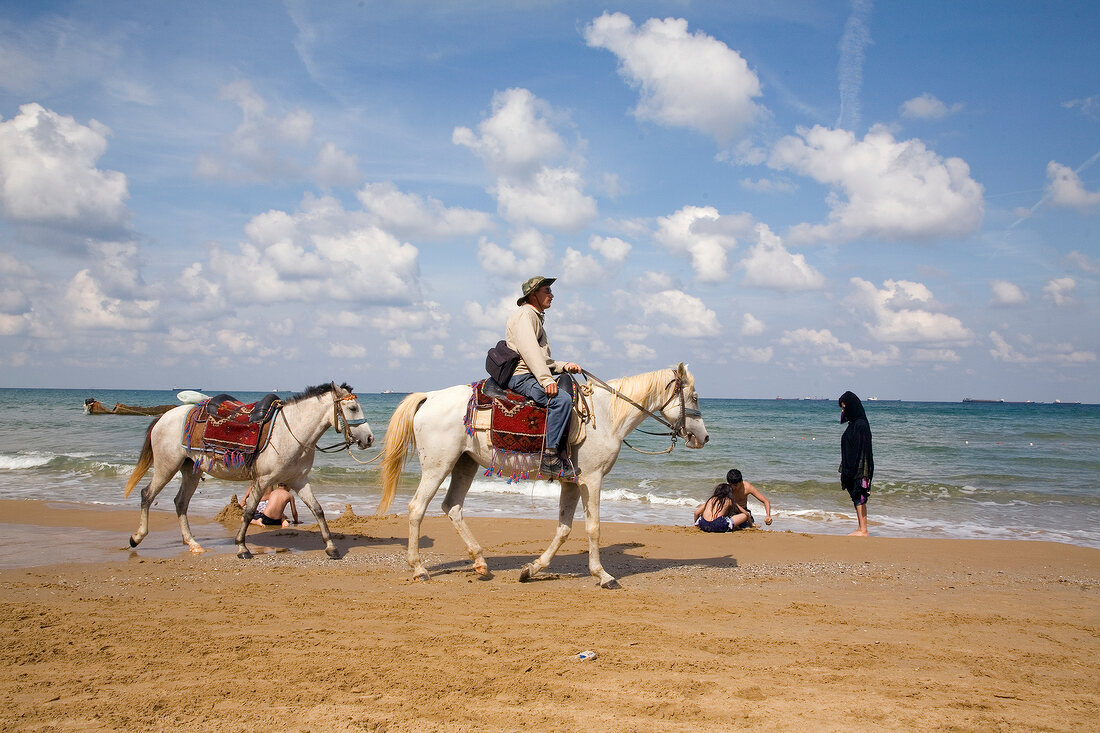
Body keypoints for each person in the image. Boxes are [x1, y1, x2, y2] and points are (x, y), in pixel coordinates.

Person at [504, 275, 582, 477]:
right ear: (533, 295)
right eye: (547, 291)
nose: (552, 295)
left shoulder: (534, 316)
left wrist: (564, 366)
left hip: (531, 373)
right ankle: (550, 458)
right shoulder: (525, 315)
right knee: (562, 400)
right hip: (522, 377)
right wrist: (547, 380)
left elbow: (541, 357)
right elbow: (530, 351)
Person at [838, 390, 874, 536]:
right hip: (853, 467)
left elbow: (862, 449)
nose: (843, 410)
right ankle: (861, 528)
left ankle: (863, 529)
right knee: (856, 497)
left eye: (844, 407)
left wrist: (858, 470)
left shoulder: (860, 425)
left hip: (859, 468)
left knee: (860, 496)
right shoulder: (855, 424)